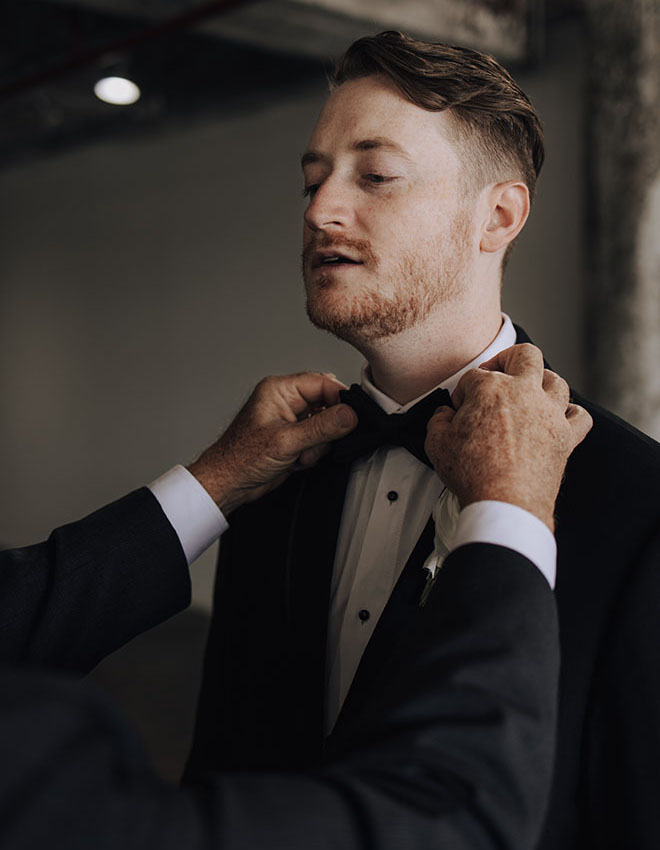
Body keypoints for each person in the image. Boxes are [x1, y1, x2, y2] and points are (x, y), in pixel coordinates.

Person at [185, 30, 660, 850]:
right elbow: (225, 757)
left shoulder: (638, 500)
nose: (320, 210)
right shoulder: (275, 465)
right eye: (312, 179)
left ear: (498, 216)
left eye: (375, 176)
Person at [0, 355, 591, 850]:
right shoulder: (292, 493)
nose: (321, 214)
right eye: (308, 203)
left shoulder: (629, 483)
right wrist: (512, 504)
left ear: (501, 214)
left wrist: (216, 479)